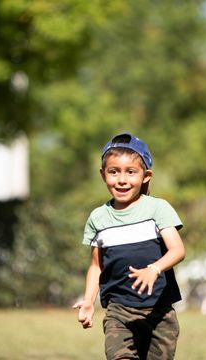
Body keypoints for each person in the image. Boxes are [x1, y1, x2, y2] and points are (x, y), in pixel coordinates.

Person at [74, 132, 185, 360]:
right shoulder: (98, 218)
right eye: (114, 172)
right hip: (119, 311)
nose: (122, 180)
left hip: (159, 311)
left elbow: (178, 250)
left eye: (131, 172)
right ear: (103, 174)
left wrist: (154, 269)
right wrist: (88, 300)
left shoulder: (158, 209)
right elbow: (96, 266)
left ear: (146, 176)